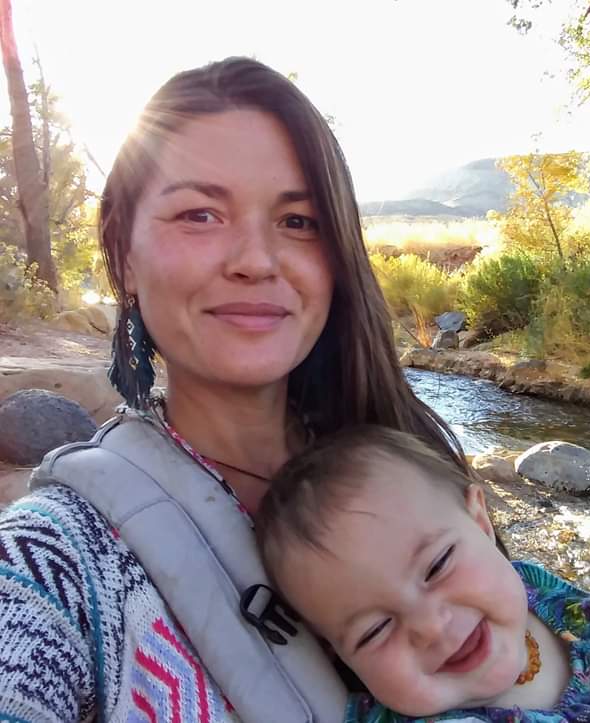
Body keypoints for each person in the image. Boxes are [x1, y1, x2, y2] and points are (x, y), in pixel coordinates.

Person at [0, 58, 472, 722]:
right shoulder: (56, 561)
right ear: (125, 256)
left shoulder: (410, 462)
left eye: (299, 221)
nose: (255, 260)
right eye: (199, 214)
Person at [256, 426, 590, 723]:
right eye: (375, 630)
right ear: (335, 655)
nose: (429, 626)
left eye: (437, 566)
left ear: (480, 521)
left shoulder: (543, 599)